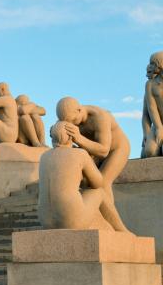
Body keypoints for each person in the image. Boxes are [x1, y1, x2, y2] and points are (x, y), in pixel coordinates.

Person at [56, 97, 133, 234]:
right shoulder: (69, 117)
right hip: (92, 151)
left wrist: (79, 139)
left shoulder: (99, 117)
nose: (72, 125)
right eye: (67, 122)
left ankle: (111, 224)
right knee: (86, 182)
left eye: (73, 121)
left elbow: (104, 150)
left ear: (80, 110)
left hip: (116, 149)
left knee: (103, 183)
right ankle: (95, 217)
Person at [38, 121, 114, 231]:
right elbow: (98, 183)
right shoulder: (80, 154)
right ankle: (122, 230)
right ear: (71, 137)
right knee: (99, 193)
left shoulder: (44, 157)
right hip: (71, 220)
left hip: (45, 221)